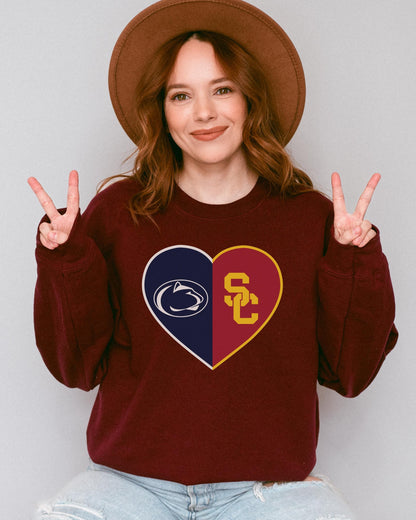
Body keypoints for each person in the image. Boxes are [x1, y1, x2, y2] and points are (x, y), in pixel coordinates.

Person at [28, 0, 398, 518]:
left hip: (270, 491)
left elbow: (351, 372)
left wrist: (354, 262)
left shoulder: (310, 219)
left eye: (221, 89)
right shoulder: (117, 214)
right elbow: (76, 368)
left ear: (251, 98)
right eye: (182, 95)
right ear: (162, 110)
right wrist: (67, 261)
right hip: (131, 485)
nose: (203, 113)